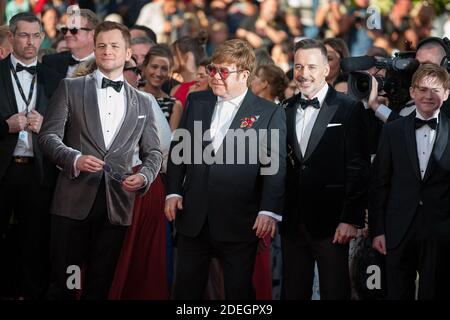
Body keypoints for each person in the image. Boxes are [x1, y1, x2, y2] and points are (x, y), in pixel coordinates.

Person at [39, 21, 163, 300]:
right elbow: (48, 137)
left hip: (116, 206)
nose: (108, 51)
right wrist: (75, 158)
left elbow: (154, 152)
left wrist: (144, 176)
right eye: (102, 45)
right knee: (67, 284)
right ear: (94, 49)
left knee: (101, 284)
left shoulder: (143, 102)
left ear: (128, 52)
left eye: (115, 46)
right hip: (72, 202)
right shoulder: (71, 87)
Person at [165, 39, 286, 300]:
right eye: (212, 70)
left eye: (223, 71)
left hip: (240, 220)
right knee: (185, 290)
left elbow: (274, 167)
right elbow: (178, 151)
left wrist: (268, 210)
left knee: (238, 292)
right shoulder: (196, 101)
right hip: (194, 216)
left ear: (244, 75)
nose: (215, 76)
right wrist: (172, 192)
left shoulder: (268, 112)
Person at [281, 39, 368, 300]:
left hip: (332, 223)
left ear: (326, 70)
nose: (303, 74)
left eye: (311, 66)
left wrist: (351, 218)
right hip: (292, 221)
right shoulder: (283, 109)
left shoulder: (349, 107)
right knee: (292, 292)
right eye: (298, 66)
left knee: (335, 291)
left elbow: (358, 166)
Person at [369, 63, 450, 299]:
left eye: (435, 90)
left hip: (440, 231)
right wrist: (378, 230)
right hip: (398, 229)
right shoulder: (393, 130)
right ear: (412, 92)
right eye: (422, 89)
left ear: (446, 94)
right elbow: (379, 183)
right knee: (396, 293)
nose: (428, 96)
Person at [0, 12, 59, 299]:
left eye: (36, 35)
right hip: (2, 169)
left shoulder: (55, 79)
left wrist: (44, 124)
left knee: (35, 242)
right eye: (24, 35)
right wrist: (5, 126)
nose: (31, 41)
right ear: (11, 37)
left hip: (39, 171)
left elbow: (67, 126)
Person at [109, 56, 172, 300]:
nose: (137, 74)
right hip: (100, 185)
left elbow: (164, 149)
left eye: (137, 69)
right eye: (131, 69)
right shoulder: (84, 95)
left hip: (139, 183)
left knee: (141, 257)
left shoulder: (145, 99)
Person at [42, 8, 99, 79]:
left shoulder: (107, 63)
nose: (67, 34)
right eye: (65, 30)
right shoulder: (51, 62)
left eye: (74, 30)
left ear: (92, 33)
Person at [142, 44, 183, 131]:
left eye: (164, 69)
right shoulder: (132, 95)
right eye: (154, 67)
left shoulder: (174, 105)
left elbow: (171, 141)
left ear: (169, 72)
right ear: (145, 67)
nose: (158, 73)